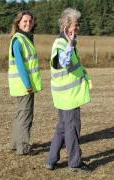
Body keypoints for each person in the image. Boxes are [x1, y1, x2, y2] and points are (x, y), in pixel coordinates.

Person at [46, 7, 92, 172]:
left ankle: (51, 160)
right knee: (72, 129)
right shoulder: (62, 44)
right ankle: (75, 163)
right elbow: (63, 62)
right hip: (68, 96)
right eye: (75, 24)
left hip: (63, 96)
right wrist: (71, 44)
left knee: (62, 128)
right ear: (66, 26)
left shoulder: (65, 42)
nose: (78, 27)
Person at [8, 11, 43, 155]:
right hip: (24, 86)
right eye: (25, 21)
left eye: (30, 21)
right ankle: (23, 148)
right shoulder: (18, 40)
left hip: (23, 85)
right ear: (18, 22)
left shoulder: (25, 38)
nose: (28, 23)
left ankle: (15, 144)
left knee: (21, 115)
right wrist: (28, 85)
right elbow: (21, 65)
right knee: (26, 116)